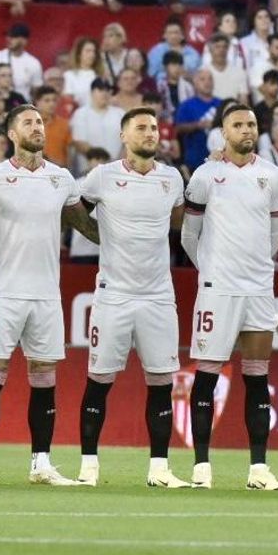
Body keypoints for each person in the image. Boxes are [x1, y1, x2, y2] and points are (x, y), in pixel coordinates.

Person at [0, 105, 98, 486]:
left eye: (40, 122)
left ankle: (41, 464)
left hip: (46, 294)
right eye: (28, 122)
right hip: (4, 291)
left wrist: (129, 234)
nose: (37, 127)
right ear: (11, 133)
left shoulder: (61, 178)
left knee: (44, 375)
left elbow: (85, 226)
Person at [70, 108, 188, 488]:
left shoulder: (171, 178)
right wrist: (98, 235)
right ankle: (88, 468)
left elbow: (179, 222)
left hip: (158, 296)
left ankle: (159, 469)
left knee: (161, 382)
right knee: (99, 380)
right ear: (124, 136)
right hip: (114, 295)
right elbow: (73, 210)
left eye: (153, 127)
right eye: (141, 128)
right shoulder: (102, 176)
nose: (150, 133)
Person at [180, 102, 278, 491]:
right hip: (219, 289)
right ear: (224, 132)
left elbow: (275, 235)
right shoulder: (205, 175)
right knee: (207, 375)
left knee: (258, 377)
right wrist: (210, 269)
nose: (247, 130)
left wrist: (258, 266)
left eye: (252, 124)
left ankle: (258, 469)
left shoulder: (272, 175)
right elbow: (189, 235)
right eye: (238, 125)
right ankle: (201, 468)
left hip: (258, 288)